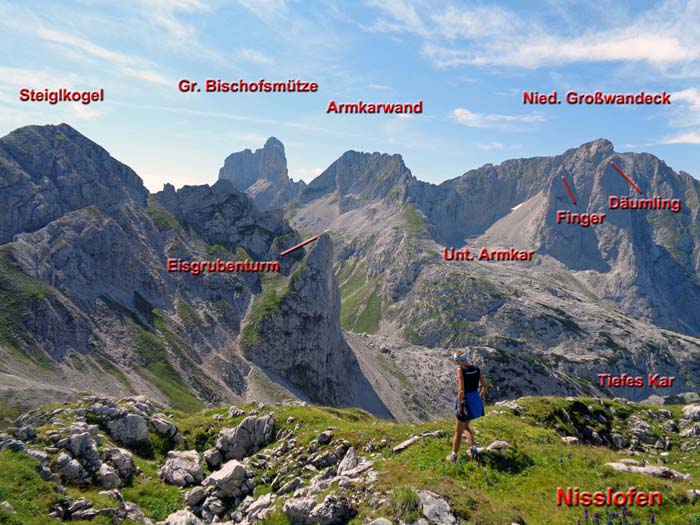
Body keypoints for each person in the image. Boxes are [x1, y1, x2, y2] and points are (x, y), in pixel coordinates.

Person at [446, 351, 488, 462]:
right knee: (465, 427)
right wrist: (480, 396)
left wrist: (459, 405)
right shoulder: (476, 369)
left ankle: (453, 456)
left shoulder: (460, 370)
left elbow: (461, 390)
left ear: (460, 360)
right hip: (475, 400)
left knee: (458, 431)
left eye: (456, 360)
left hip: (465, 400)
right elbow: (485, 385)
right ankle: (473, 448)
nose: (455, 362)